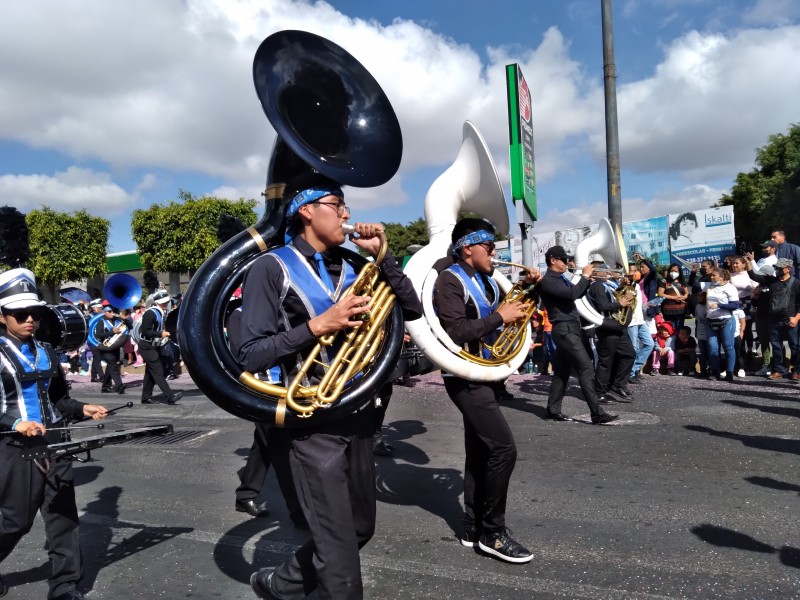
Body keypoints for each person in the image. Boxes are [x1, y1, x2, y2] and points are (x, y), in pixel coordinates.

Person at [239, 181, 422, 600]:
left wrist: (384, 256)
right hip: (310, 423)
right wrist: (318, 325)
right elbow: (250, 353)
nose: (345, 214)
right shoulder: (271, 268)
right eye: (337, 205)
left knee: (359, 529)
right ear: (306, 211)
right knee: (341, 570)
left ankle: (280, 584)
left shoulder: (356, 266)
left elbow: (410, 308)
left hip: (359, 413)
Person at [432, 217, 538, 564]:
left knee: (480, 451)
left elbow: (511, 309)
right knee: (504, 450)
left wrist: (530, 289)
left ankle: (471, 525)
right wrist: (500, 318)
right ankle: (493, 533)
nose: (496, 253)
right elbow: (456, 331)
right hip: (464, 377)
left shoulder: (486, 279)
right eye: (490, 248)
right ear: (468, 249)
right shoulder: (450, 280)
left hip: (487, 374)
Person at [0, 268, 108, 600]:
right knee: (16, 520)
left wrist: (82, 408)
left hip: (55, 442)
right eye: (20, 313)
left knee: (63, 517)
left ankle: (65, 585)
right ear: (2, 316)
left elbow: (58, 398)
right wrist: (15, 423)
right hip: (14, 446)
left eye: (34, 312)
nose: (29, 319)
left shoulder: (47, 349)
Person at [538, 245, 618, 425]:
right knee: (586, 368)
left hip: (570, 327)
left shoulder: (559, 278)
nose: (568, 263)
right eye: (564, 260)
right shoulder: (549, 280)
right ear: (553, 260)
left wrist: (587, 279)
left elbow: (577, 293)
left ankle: (553, 410)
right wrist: (585, 276)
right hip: (564, 329)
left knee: (562, 372)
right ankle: (596, 413)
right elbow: (572, 293)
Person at [586, 269, 636, 403]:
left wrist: (623, 287)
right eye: (603, 270)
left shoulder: (608, 285)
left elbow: (614, 296)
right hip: (607, 326)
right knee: (606, 361)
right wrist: (621, 303)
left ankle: (617, 385)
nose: (607, 272)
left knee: (629, 354)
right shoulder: (596, 286)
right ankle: (599, 392)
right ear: (596, 273)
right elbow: (603, 305)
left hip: (617, 326)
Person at [747, 258, 800, 380]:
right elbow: (754, 276)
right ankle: (778, 369)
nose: (777, 270)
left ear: (788, 269)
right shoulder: (772, 281)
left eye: (780, 268)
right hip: (773, 319)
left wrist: (796, 318)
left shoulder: (796, 283)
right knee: (776, 345)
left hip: (790, 319)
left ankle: (796, 370)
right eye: (776, 268)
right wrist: (748, 262)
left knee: (795, 346)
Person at [137, 290, 182, 405]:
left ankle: (145, 397)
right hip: (146, 346)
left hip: (154, 346)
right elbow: (145, 331)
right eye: (163, 302)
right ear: (156, 302)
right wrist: (160, 334)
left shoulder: (162, 312)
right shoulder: (150, 313)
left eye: (166, 301)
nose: (165, 303)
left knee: (150, 372)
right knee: (158, 370)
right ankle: (170, 396)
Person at [705, 268, 740, 381]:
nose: (711, 277)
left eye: (714, 275)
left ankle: (729, 372)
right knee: (712, 347)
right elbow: (693, 284)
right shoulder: (710, 286)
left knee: (728, 346)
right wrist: (694, 272)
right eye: (711, 275)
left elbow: (735, 305)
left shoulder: (730, 288)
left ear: (722, 277)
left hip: (725, 320)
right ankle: (715, 371)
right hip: (711, 320)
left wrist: (720, 305)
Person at [626, 260, 656, 384]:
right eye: (632, 271)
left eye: (636, 270)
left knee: (649, 344)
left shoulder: (638, 285)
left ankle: (634, 369)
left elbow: (653, 272)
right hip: (631, 322)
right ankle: (631, 373)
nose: (636, 273)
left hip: (640, 320)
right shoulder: (626, 286)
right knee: (634, 347)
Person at [93, 305, 128, 394]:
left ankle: (105, 386)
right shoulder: (102, 322)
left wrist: (124, 319)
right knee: (113, 365)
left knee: (110, 366)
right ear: (104, 313)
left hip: (115, 346)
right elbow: (98, 335)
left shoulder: (117, 321)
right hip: (106, 347)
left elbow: (130, 326)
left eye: (113, 311)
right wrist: (112, 332)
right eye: (109, 311)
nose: (112, 313)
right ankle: (120, 385)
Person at [658, 264, 689, 333]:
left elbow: (686, 293)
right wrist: (673, 297)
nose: (673, 272)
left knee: (679, 331)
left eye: (675, 271)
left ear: (679, 272)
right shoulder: (664, 281)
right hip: (668, 312)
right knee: (669, 330)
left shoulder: (682, 282)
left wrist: (684, 296)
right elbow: (660, 294)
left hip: (681, 311)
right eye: (672, 271)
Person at [86, 298, 105, 383]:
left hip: (98, 340)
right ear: (94, 308)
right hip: (92, 340)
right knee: (98, 357)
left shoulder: (100, 316)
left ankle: (93, 376)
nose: (101, 309)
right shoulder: (89, 317)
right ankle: (102, 377)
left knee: (96, 357)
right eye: (99, 307)